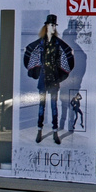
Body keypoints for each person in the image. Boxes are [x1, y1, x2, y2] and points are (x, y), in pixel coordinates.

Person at [23, 14, 76, 145]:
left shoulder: (58, 42)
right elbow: (30, 48)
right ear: (47, 26)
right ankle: (39, 131)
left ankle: (55, 132)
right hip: (42, 78)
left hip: (54, 78)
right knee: (41, 106)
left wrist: (71, 53)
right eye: (51, 25)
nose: (53, 27)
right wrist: (27, 51)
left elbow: (67, 50)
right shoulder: (41, 42)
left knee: (54, 107)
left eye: (54, 25)